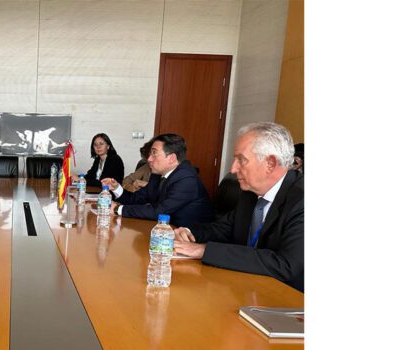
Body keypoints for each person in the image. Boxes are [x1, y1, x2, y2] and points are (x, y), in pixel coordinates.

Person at [173, 122, 304, 292]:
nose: (233, 169)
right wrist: (189, 233)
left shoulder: (302, 199)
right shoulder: (251, 193)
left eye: (241, 160)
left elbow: (286, 265)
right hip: (245, 286)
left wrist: (205, 251)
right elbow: (224, 229)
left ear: (270, 163)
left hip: (286, 297)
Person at [101, 133, 214, 228]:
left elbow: (159, 211)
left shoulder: (186, 179)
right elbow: (137, 199)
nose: (149, 159)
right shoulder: (158, 174)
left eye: (154, 153)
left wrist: (118, 209)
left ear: (172, 158)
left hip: (189, 238)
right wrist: (116, 188)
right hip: (164, 230)